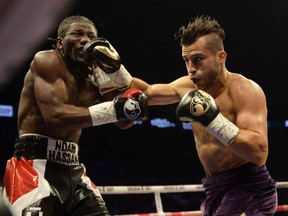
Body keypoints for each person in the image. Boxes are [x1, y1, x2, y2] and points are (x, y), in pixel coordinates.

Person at [86, 15, 278, 215]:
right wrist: (115, 70)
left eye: (198, 60)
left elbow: (258, 153)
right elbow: (147, 93)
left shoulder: (244, 90)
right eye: (186, 60)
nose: (191, 69)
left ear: (221, 57)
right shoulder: (188, 86)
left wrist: (212, 119)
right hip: (215, 187)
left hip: (250, 187)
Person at [2, 15, 148, 216]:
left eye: (91, 36)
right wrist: (115, 109)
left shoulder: (94, 77)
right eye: (77, 34)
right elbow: (55, 118)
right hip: (34, 165)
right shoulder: (47, 60)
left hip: (73, 166)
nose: (85, 40)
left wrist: (113, 74)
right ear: (60, 43)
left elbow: (125, 122)